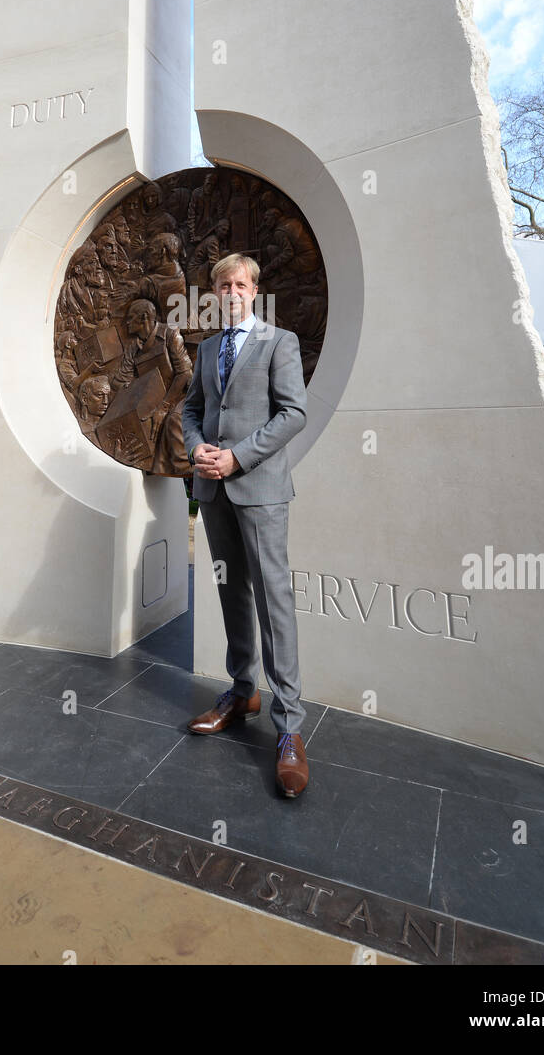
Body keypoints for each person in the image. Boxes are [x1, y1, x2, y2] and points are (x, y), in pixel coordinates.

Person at [181, 253, 309, 797]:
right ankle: (241, 692)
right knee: (231, 591)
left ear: (254, 290)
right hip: (211, 490)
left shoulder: (280, 343)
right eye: (223, 284)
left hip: (258, 489)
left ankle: (289, 729)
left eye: (241, 283)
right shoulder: (208, 349)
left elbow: (293, 413)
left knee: (272, 600)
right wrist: (198, 449)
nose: (232, 291)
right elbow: (190, 411)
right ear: (214, 292)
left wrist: (239, 457)